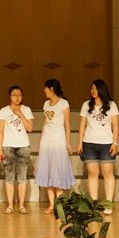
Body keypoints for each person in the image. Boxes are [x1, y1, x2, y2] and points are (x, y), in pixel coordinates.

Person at [77, 79, 119, 213]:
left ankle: (108, 204)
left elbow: (115, 125)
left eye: (95, 88)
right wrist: (80, 143)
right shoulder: (86, 105)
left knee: (108, 173)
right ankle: (94, 203)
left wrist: (115, 143)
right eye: (91, 88)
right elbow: (82, 125)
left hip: (106, 143)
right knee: (92, 173)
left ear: (102, 89)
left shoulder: (111, 105)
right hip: (89, 143)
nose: (93, 91)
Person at [34, 79, 75, 214]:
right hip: (47, 140)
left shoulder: (64, 103)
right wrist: (40, 141)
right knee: (48, 172)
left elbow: (67, 125)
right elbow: (45, 124)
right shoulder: (46, 104)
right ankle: (52, 204)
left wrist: (68, 143)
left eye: (45, 88)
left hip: (58, 140)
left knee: (57, 172)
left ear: (51, 89)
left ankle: (60, 205)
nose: (44, 91)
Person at [0, 85, 34, 214]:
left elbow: (30, 128)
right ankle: (10, 205)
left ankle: (22, 205)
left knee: (22, 176)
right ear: (10, 96)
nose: (17, 97)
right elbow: (0, 131)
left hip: (23, 146)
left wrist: (21, 114)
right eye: (14, 95)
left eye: (19, 95)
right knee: (9, 177)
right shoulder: (4, 111)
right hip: (8, 146)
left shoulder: (26, 109)